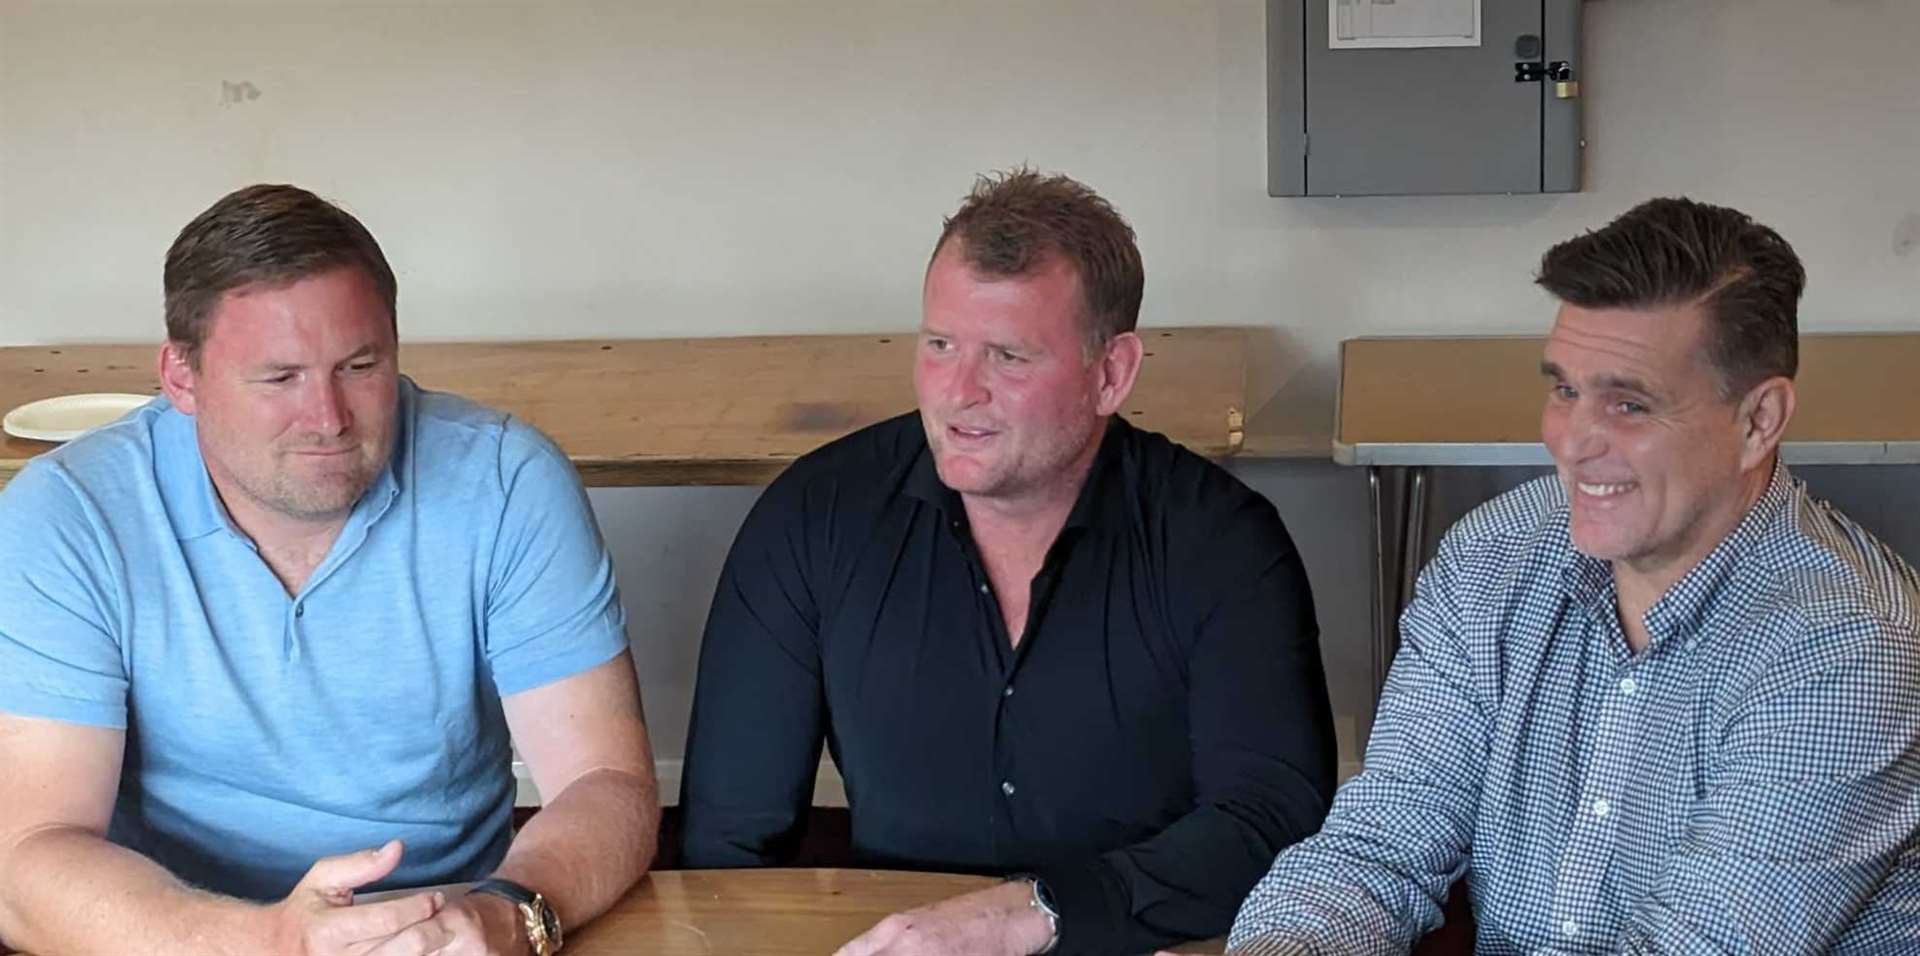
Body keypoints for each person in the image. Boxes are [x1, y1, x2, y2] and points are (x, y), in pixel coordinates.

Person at [1227, 197, 1920, 954]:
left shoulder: (1848, 650)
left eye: (1629, 403)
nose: (1573, 441)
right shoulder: (1494, 556)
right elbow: (1380, 845)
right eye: (1564, 389)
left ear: (1759, 420)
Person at [679, 168, 1337, 956]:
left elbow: (1272, 824)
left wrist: (1035, 914)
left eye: (1010, 357)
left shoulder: (1222, 544)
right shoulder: (813, 520)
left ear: (1113, 373)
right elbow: (727, 850)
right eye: (940, 345)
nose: (960, 393)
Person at [0, 184, 659, 956]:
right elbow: (29, 859)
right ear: (181, 377)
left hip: (444, 926)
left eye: (359, 365)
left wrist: (506, 915)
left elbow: (608, 785)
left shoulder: (508, 480)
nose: (329, 420)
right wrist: (268, 942)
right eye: (280, 378)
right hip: (171, 931)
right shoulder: (71, 510)